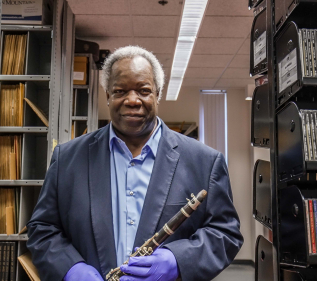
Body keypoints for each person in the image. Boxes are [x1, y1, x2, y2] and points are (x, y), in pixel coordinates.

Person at [26, 46, 243, 281]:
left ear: (157, 94)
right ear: (107, 95)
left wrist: (177, 260)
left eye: (143, 90)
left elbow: (225, 232)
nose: (132, 100)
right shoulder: (67, 158)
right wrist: (70, 268)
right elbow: (42, 230)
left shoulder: (205, 161)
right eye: (120, 91)